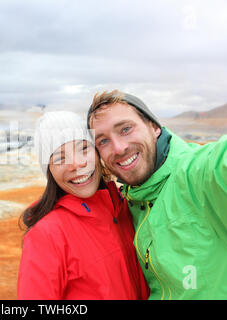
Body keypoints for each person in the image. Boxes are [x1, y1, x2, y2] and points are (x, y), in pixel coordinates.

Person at [87, 90, 227, 299]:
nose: (118, 148)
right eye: (103, 141)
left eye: (126, 129)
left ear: (154, 127)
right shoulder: (132, 204)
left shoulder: (199, 179)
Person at [17, 111, 149, 300]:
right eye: (60, 159)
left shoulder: (125, 207)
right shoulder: (46, 235)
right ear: (50, 172)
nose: (77, 164)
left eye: (84, 149)